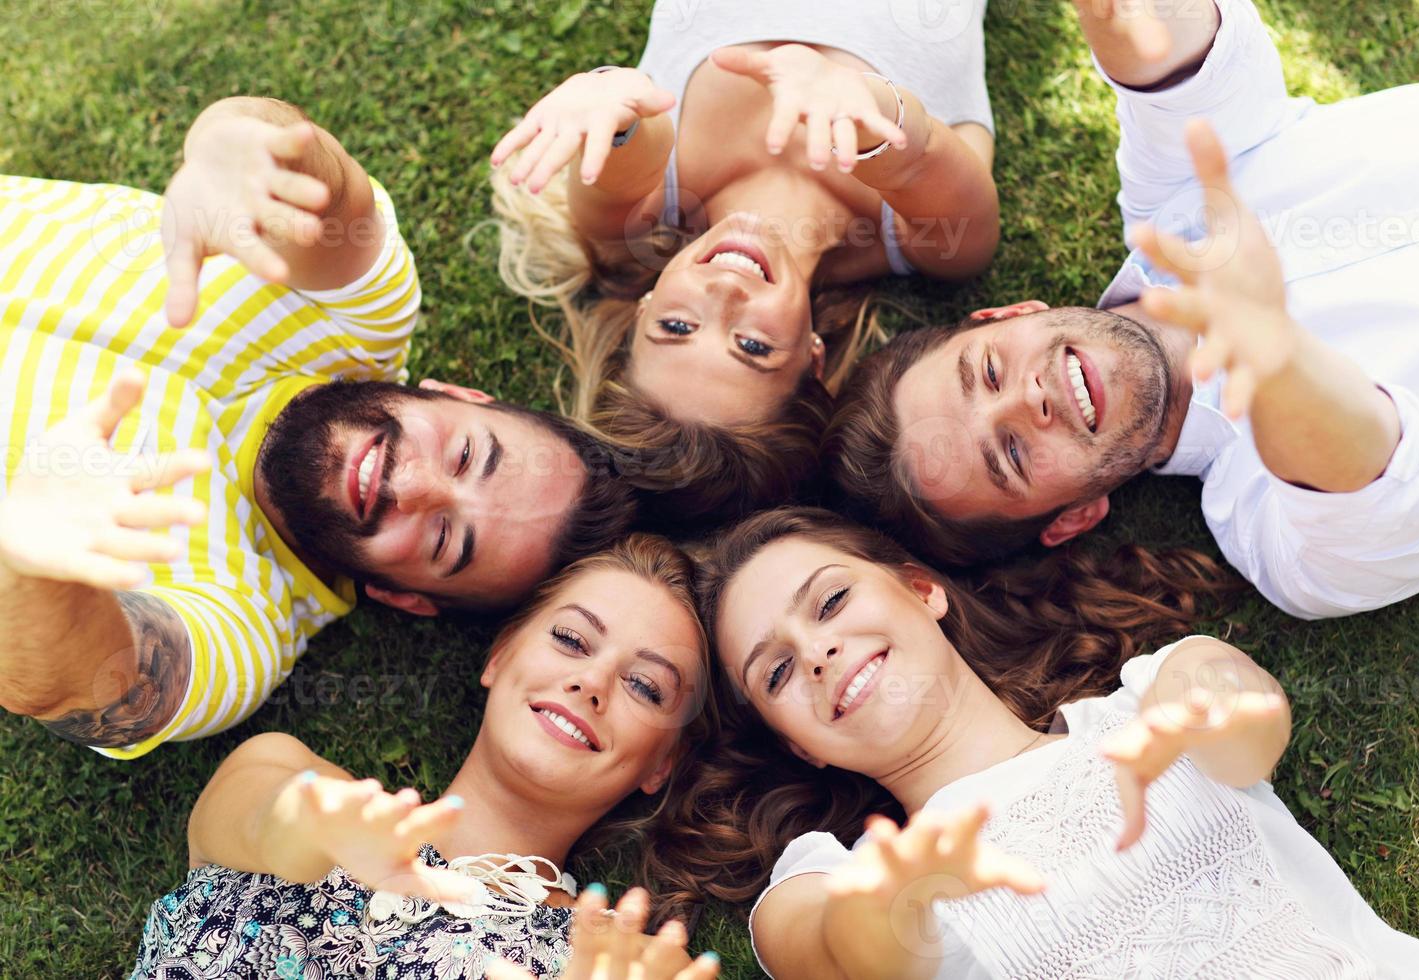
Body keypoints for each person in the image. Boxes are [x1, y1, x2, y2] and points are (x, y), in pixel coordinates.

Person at [0, 96, 635, 759]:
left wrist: (29, 566)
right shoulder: (362, 317)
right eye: (468, 454)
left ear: (402, 596)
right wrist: (237, 150)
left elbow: (92, 687)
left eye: (444, 538)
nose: (411, 482)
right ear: (455, 394)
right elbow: (321, 178)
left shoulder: (245, 623)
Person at [824, 0, 1419, 619]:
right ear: (1074, 517)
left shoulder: (1184, 190)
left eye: (989, 371)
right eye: (1013, 454)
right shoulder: (1282, 538)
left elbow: (1171, 58)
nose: (1029, 401)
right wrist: (1276, 356)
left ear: (1007, 314)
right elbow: (1373, 496)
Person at [673, 507, 1419, 978]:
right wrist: (896, 899)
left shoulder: (1142, 703)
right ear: (798, 747)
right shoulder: (830, 874)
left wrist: (1205, 701)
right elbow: (828, 953)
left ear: (923, 592)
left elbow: (1247, 722)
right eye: (775, 672)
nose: (815, 653)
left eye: (832, 601)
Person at [491, 0, 1001, 529]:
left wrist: (605, 104)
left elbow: (629, 144)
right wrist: (864, 101)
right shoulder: (936, 243)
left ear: (644, 309)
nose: (724, 295)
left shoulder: (633, 223)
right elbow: (918, 152)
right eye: (752, 347)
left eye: (677, 326)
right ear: (813, 358)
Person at [130, 535, 722, 980]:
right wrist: (311, 830)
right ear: (500, 657)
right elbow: (262, 824)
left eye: (645, 686)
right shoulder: (290, 777)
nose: (592, 680)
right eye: (570, 639)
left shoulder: (629, 964)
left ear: (660, 764)